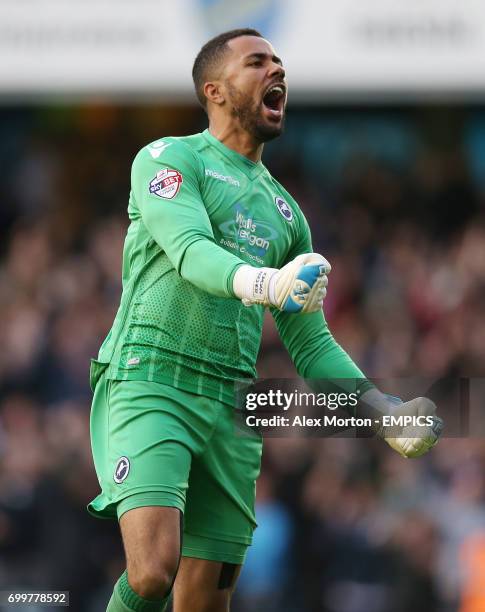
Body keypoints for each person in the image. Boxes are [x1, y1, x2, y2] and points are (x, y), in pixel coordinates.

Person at [87, 28, 442, 612]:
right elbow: (191, 250)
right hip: (153, 379)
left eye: (279, 62)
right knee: (152, 572)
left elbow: (312, 344)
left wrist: (384, 412)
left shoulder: (287, 215)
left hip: (230, 402)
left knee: (203, 600)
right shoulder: (168, 158)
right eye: (257, 63)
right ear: (215, 90)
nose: (277, 71)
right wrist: (267, 282)